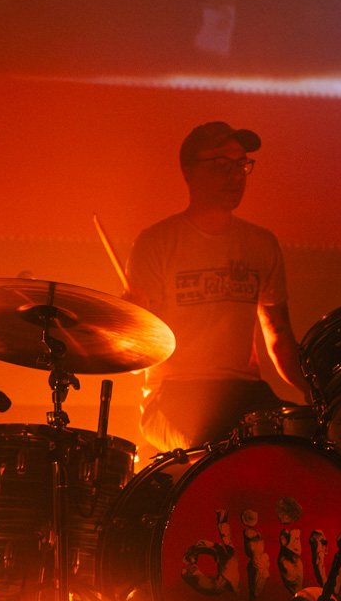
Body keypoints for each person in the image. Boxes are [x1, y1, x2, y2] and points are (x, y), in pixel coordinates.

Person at [124, 121, 311, 451]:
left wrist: (316, 394)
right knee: (225, 441)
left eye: (242, 164)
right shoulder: (156, 243)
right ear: (188, 171)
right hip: (174, 393)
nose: (236, 175)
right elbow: (137, 346)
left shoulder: (261, 243)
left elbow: (279, 334)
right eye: (222, 165)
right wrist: (130, 322)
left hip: (244, 392)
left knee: (306, 438)